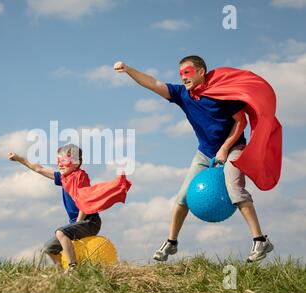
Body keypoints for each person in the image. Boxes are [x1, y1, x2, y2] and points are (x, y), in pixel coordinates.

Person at [114, 55, 277, 262]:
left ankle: (260, 240)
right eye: (180, 74)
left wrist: (225, 148)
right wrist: (129, 69)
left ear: (201, 72)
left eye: (187, 72)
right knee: (182, 198)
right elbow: (153, 83)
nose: (183, 77)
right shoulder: (183, 95)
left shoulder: (221, 93)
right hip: (205, 153)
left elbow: (240, 123)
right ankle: (171, 243)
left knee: (234, 188)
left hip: (234, 147)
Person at [8, 143, 131, 271]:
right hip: (77, 223)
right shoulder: (63, 178)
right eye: (58, 161)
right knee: (48, 248)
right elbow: (39, 169)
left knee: (60, 232)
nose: (60, 164)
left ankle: (73, 267)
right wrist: (18, 158)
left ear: (76, 163)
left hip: (89, 222)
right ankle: (61, 272)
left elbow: (85, 200)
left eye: (64, 161)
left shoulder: (80, 176)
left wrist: (78, 223)